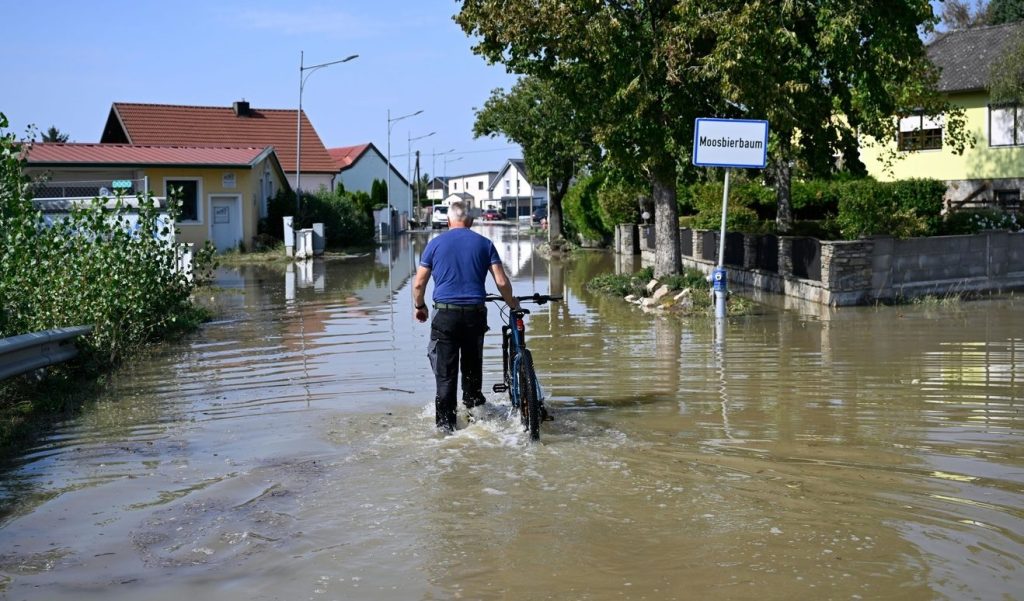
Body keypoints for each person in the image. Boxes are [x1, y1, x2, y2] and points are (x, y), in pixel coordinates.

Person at [412, 201, 518, 433]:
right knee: (471, 371)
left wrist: (420, 306)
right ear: (470, 221)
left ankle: (445, 429)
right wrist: (513, 304)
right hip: (474, 316)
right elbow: (501, 282)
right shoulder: (485, 244)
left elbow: (419, 283)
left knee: (446, 377)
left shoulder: (434, 244)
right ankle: (476, 420)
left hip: (445, 316)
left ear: (448, 220)